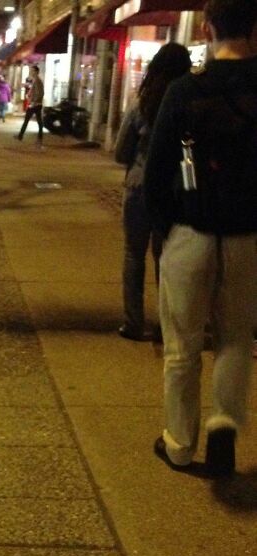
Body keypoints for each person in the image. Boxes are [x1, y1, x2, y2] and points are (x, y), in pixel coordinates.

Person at [145, 0, 257, 477]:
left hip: (191, 232)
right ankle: (225, 421)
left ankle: (178, 442)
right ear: (255, 29)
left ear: (208, 29)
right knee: (235, 337)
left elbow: (156, 173)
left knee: (182, 347)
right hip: (247, 236)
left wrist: (168, 228)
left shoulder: (184, 91)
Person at [114, 43, 192, 341]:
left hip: (137, 188)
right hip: (172, 190)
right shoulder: (186, 106)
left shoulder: (140, 104)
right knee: (166, 257)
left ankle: (133, 323)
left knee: (134, 255)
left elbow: (121, 152)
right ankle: (165, 325)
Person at [16, 65, 44, 145]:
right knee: (37, 122)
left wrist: (34, 102)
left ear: (36, 72)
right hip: (35, 104)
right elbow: (34, 90)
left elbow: (40, 93)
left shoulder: (37, 81)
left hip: (35, 105)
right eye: (31, 70)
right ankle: (38, 138)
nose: (31, 72)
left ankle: (21, 136)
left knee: (29, 121)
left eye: (32, 71)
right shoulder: (35, 80)